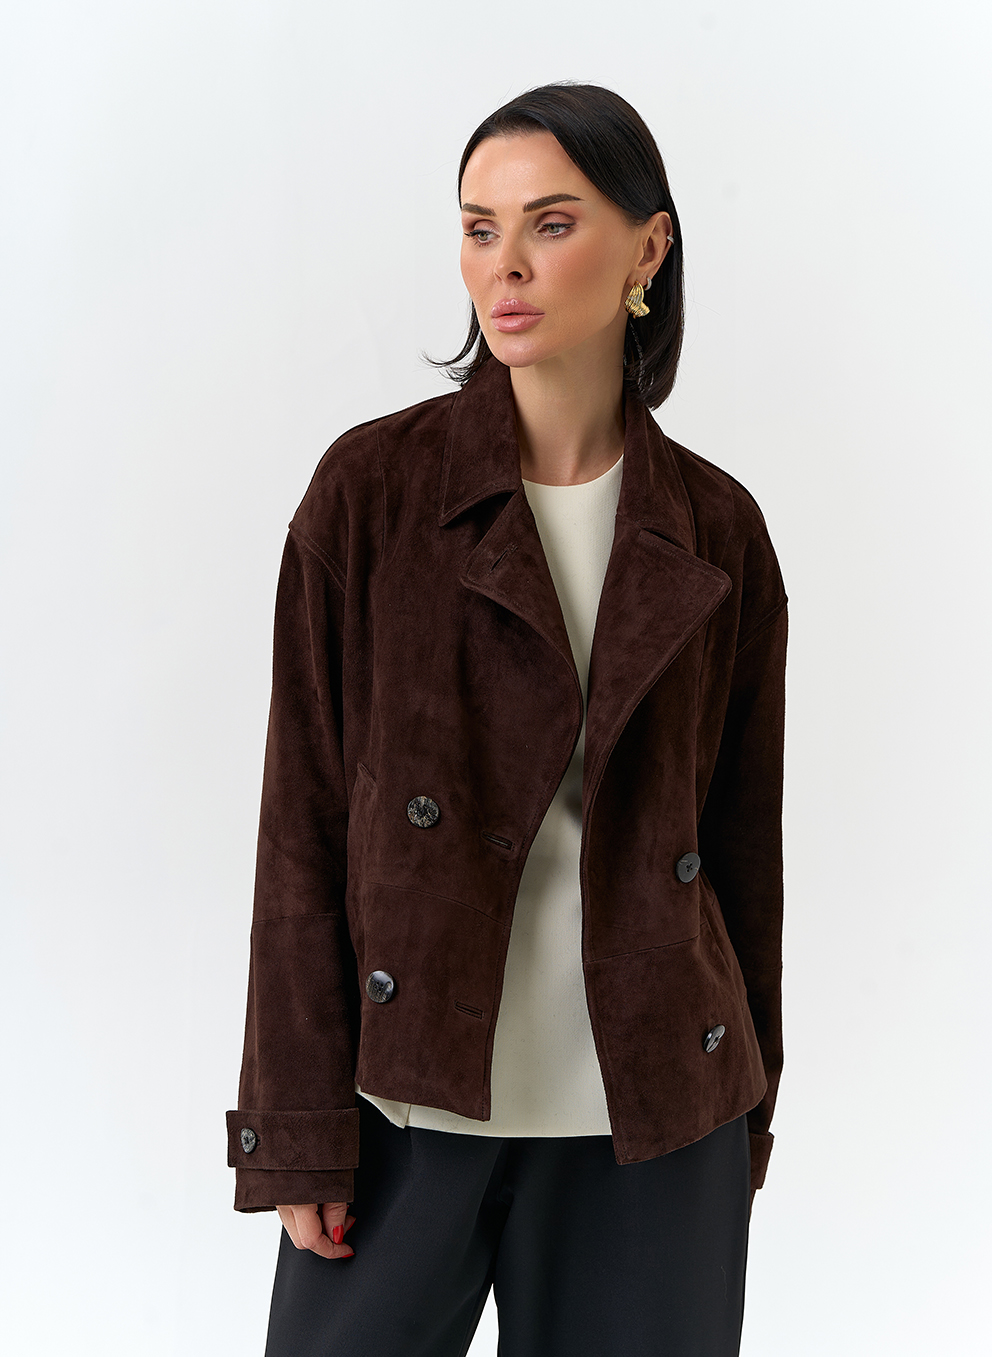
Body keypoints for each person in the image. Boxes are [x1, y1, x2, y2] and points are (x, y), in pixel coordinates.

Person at [227, 81, 788, 1357]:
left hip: (652, 1121)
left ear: (647, 249)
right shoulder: (372, 493)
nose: (506, 265)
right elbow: (300, 830)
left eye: (551, 222)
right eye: (479, 228)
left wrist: (745, 1112)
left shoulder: (716, 530)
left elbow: (740, 855)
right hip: (405, 1108)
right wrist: (295, 1123)